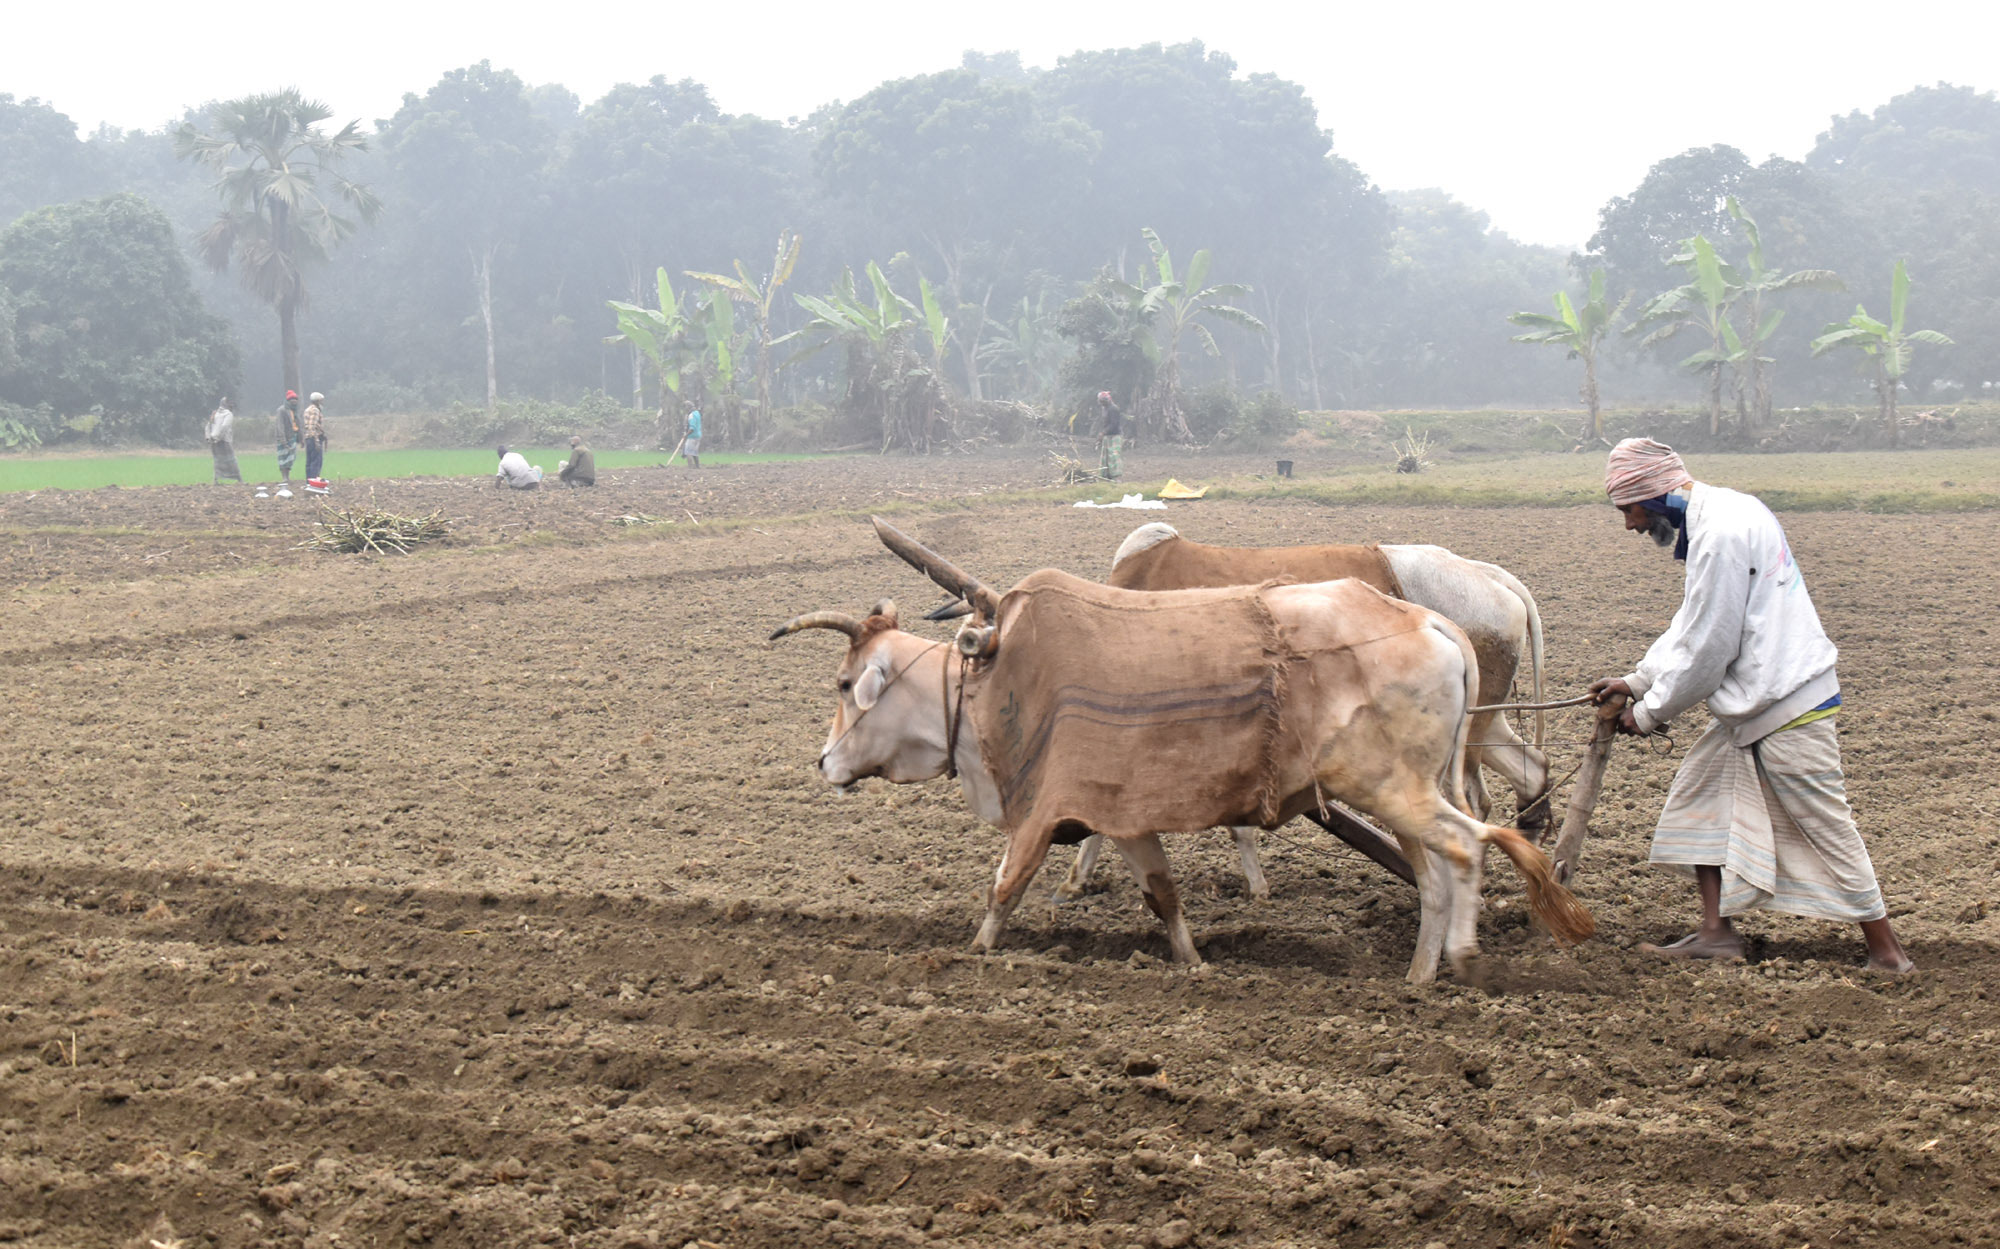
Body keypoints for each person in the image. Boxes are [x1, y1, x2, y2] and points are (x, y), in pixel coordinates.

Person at [1588, 437, 1911, 973]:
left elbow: (1712, 646)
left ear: (1655, 494)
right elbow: (1693, 623)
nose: (1631, 525)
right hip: (1762, 700)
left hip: (1785, 704)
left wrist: (1647, 713)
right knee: (1698, 799)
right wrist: (1638, 678)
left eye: (1630, 510)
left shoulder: (1720, 535)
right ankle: (1716, 933)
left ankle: (1888, 953)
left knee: (1825, 826)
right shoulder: (1730, 509)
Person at [204, 396, 241, 484]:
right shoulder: (229, 414)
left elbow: (208, 426)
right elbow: (225, 426)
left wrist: (209, 438)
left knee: (218, 461)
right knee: (231, 460)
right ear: (227, 405)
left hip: (213, 441)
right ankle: (239, 479)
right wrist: (218, 437)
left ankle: (216, 480)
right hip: (224, 441)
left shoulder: (215, 413)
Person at [274, 390, 302, 495]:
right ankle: (284, 477)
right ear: (288, 400)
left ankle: (288, 476)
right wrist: (283, 440)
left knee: (290, 458)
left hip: (293, 437)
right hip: (284, 437)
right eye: (292, 399)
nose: (294, 401)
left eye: (295, 399)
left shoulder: (294, 411)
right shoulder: (282, 410)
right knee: (283, 459)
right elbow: (280, 426)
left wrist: (301, 438)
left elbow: (298, 424)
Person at [301, 391, 329, 493]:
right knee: (316, 462)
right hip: (314, 438)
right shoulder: (315, 410)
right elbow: (312, 427)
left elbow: (307, 426)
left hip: (309, 438)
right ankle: (314, 485)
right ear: (317, 401)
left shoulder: (307, 410)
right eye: (321, 400)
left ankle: (308, 483)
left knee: (309, 462)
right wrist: (317, 441)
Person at [1096, 390, 1123, 481]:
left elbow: (1114, 424)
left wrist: (1103, 432)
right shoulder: (1104, 409)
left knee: (1114, 456)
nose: (1101, 403)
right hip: (1107, 436)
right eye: (1100, 402)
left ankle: (1116, 476)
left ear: (1107, 400)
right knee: (1106, 456)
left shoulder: (1114, 409)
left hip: (1115, 436)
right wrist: (1102, 433)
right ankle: (1106, 475)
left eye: (1102, 401)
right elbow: (1105, 423)